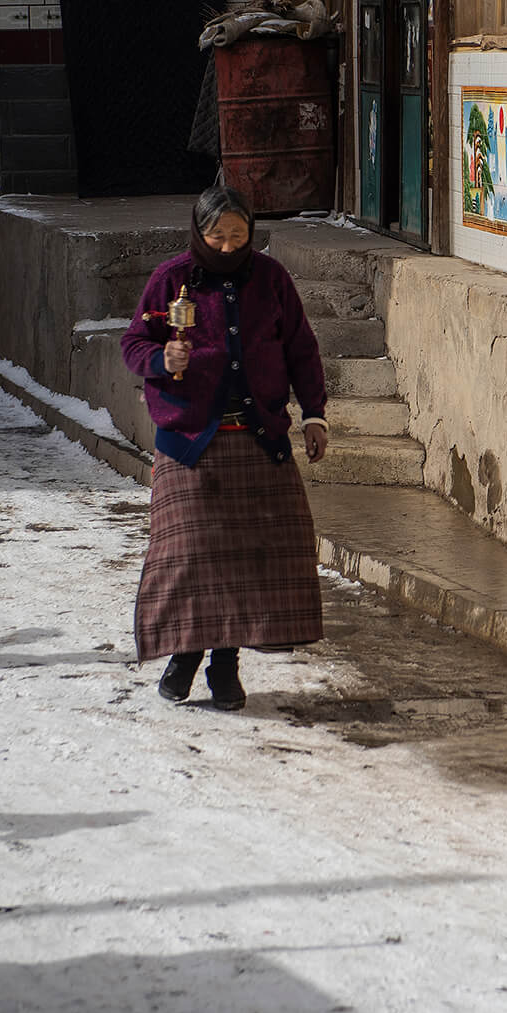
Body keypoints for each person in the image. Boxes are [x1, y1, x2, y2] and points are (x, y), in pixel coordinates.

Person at [120, 186, 329, 709]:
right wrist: (161, 359)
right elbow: (133, 343)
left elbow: (301, 348)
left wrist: (314, 414)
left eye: (239, 236)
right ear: (199, 231)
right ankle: (186, 656)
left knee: (247, 561)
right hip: (190, 444)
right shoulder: (171, 281)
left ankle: (225, 667)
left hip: (258, 441)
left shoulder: (272, 280)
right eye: (219, 235)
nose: (230, 246)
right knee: (189, 557)